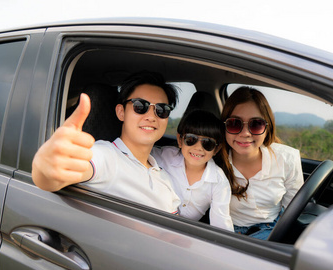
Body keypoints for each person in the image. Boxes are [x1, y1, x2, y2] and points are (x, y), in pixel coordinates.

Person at [32, 71, 181, 214]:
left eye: (162, 110)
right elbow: (57, 174)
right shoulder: (107, 157)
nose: (151, 116)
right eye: (140, 106)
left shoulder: (163, 176)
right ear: (121, 112)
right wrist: (45, 168)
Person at [214, 86, 304, 240]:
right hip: (228, 232)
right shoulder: (213, 161)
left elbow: (294, 210)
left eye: (256, 124)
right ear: (224, 127)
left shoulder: (287, 159)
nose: (245, 133)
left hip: (275, 229)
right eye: (235, 123)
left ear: (267, 128)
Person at [152, 110, 234, 231]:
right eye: (191, 139)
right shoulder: (164, 156)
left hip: (185, 235)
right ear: (180, 140)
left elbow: (221, 225)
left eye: (207, 143)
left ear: (216, 149)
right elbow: (138, 154)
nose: (198, 148)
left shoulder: (219, 182)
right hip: (152, 223)